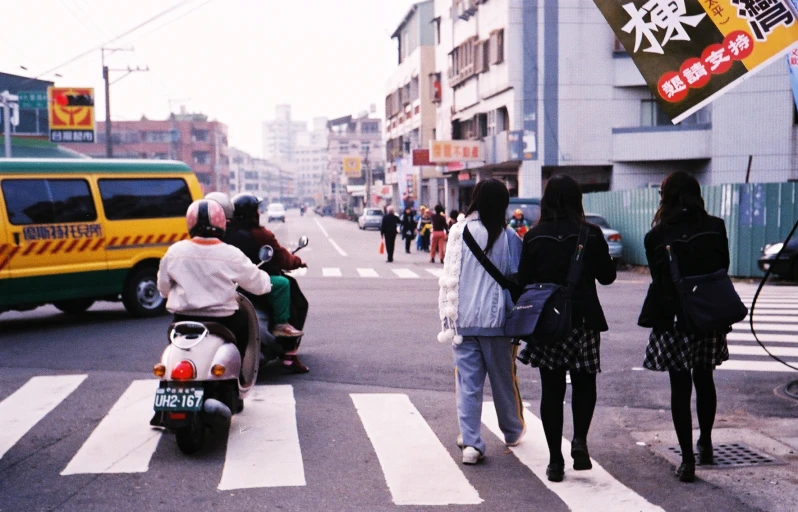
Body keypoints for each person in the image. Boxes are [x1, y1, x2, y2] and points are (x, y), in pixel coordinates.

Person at [515, 174, 616, 483]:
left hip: (548, 322)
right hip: (583, 320)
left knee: (552, 388)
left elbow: (523, 282)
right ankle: (580, 442)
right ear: (577, 200)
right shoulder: (591, 233)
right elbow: (608, 276)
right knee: (585, 383)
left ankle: (555, 461)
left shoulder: (534, 236)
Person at [638, 171, 731, 483]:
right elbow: (722, 268)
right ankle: (705, 443)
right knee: (705, 378)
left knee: (680, 388)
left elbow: (659, 280)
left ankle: (687, 459)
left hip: (675, 320)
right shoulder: (715, 227)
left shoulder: (657, 235)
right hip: (708, 316)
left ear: (666, 197)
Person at [438, 178, 526, 465]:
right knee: (503, 380)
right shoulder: (509, 237)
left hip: (463, 321)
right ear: (503, 204)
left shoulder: (458, 232)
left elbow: (449, 276)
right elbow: (517, 275)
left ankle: (472, 444)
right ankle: (512, 431)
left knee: (468, 384)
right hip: (497, 321)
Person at [157, 199, 272, 360]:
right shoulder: (231, 254)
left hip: (183, 318)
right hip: (224, 320)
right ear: (222, 223)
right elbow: (259, 285)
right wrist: (267, 281)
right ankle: (239, 373)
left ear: (190, 223)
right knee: (245, 324)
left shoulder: (175, 251)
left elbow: (163, 288)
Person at [226, 193, 310, 373]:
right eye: (257, 209)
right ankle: (288, 349)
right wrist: (297, 261)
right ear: (252, 213)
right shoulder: (261, 234)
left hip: (231, 284)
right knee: (285, 287)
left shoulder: (227, 232)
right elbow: (282, 259)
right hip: (255, 284)